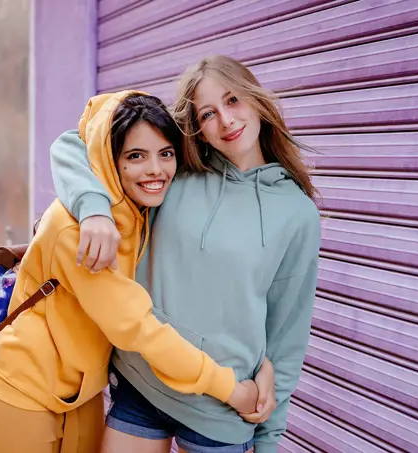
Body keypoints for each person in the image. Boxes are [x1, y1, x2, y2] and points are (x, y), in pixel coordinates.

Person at [0, 91, 265, 453]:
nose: (155, 169)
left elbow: (77, 139)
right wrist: (230, 388)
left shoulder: (140, 209)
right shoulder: (78, 232)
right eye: (136, 156)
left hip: (81, 393)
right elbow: (138, 328)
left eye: (165, 154)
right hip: (21, 387)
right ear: (110, 158)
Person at [49, 55, 321, 453]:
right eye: (208, 113)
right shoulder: (174, 171)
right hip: (142, 385)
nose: (226, 121)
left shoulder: (297, 213)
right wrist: (94, 208)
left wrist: (268, 439)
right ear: (197, 127)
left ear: (256, 100)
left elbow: (287, 333)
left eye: (233, 101)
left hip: (222, 408)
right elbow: (73, 142)